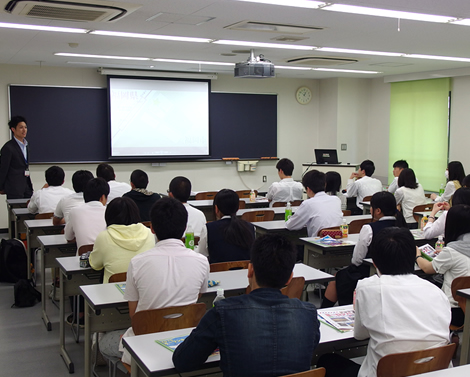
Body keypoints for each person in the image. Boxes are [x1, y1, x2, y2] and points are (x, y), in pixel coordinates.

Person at [173, 234, 321, 376]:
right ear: (289, 278)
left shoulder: (223, 312)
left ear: (250, 271)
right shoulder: (309, 314)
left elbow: (183, 361)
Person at [318, 227, 451, 377]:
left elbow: (360, 335)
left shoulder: (367, 287)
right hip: (433, 372)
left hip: (386, 371)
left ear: (374, 262)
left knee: (326, 360)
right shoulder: (437, 292)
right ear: (413, 256)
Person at [98, 197, 209, 364]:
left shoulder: (137, 262)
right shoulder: (201, 260)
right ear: (185, 228)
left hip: (146, 341)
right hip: (185, 341)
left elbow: (134, 314)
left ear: (152, 228)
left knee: (104, 342)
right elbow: (200, 296)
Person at [321, 192, 407, 307]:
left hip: (369, 273)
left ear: (378, 211)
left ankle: (323, 311)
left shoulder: (369, 228)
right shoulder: (404, 228)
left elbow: (357, 259)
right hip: (399, 273)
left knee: (337, 280)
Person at [416, 204, 470, 327]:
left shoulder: (452, 251)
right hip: (467, 308)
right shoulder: (453, 251)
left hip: (454, 310)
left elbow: (428, 268)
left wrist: (417, 255)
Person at [89, 197, 154, 283]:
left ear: (109, 216)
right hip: (144, 290)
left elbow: (95, 265)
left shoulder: (104, 236)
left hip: (112, 292)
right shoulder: (149, 233)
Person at [198, 189, 254, 263]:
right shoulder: (251, 227)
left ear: (216, 209)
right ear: (238, 208)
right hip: (245, 273)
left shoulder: (208, 229)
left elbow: (201, 256)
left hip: (216, 274)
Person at [286, 170, 343, 237]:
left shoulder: (308, 203)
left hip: (319, 243)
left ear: (308, 189)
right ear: (325, 184)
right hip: (339, 240)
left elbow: (291, 226)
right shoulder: (336, 200)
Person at [64, 177, 109, 250]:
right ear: (102, 197)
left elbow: (68, 238)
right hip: (106, 256)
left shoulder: (74, 211)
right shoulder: (109, 211)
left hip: (83, 257)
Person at [0, 116, 33, 199]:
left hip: (27, 186)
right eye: (21, 127)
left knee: (29, 210)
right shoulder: (8, 147)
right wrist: (1, 187)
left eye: (25, 127)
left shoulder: (26, 145)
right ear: (13, 129)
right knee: (16, 210)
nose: (24, 130)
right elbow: (3, 168)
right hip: (14, 188)